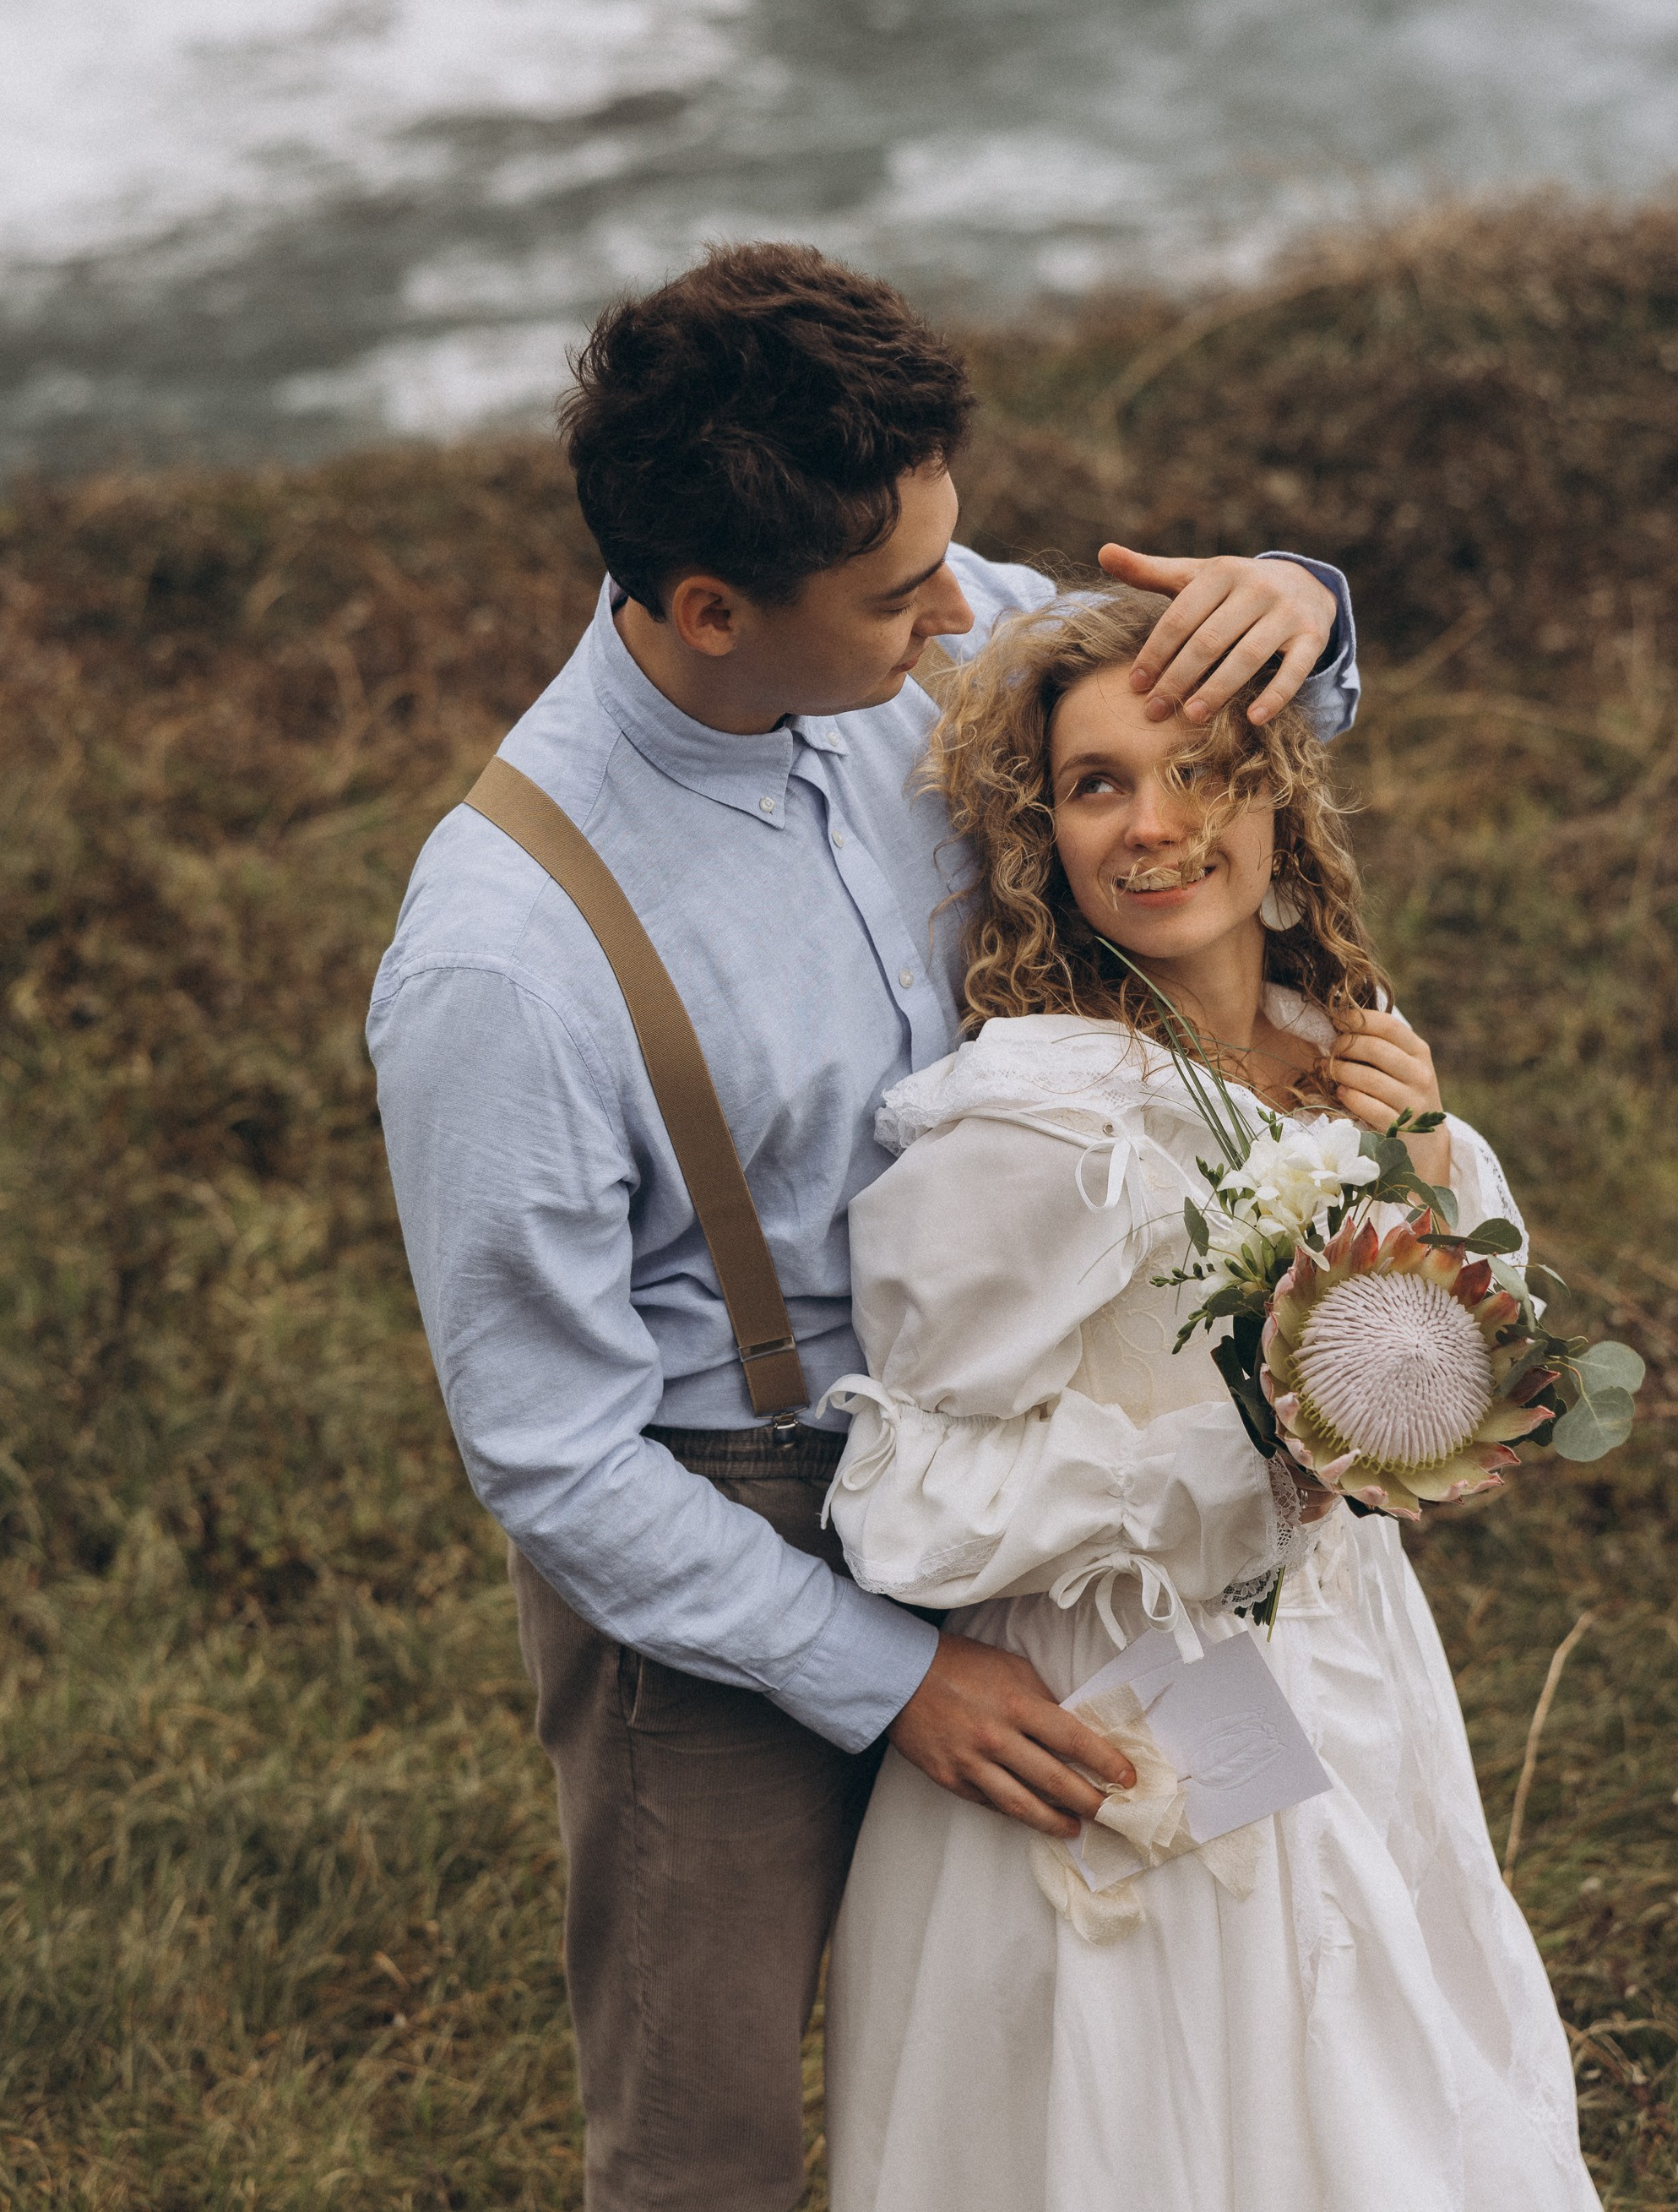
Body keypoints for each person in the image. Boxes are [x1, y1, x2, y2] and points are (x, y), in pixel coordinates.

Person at [367, 242, 1360, 2212]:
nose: (959, 619)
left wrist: (1303, 607)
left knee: (1117, 2012)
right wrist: (884, 1677)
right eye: (903, 594)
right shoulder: (499, 960)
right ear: (711, 607)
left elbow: (1193, 726)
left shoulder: (946, 629)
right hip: (726, 1534)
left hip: (1043, 1468)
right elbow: (548, 1449)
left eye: (950, 565)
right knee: (708, 2145)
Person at [820, 587, 1598, 2212]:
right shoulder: (1044, 1124)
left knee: (1385, 2095)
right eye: (1099, 785)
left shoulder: (1351, 1055)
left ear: (1282, 796)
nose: (1156, 826)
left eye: (1204, 771)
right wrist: (1217, 1472)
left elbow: (1477, 1369)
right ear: (1046, 837)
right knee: (1176, 2133)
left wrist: (1431, 1165)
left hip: (1354, 1676)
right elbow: (900, 1490)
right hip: (1137, 1704)